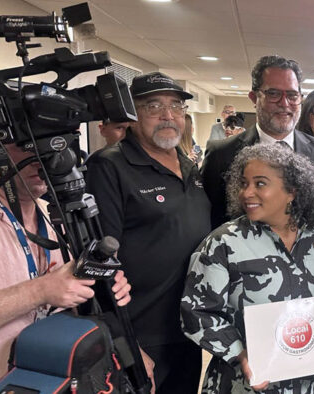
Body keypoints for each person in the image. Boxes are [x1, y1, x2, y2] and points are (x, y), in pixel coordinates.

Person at [181, 144, 314, 394]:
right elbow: (196, 312)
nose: (247, 193)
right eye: (243, 184)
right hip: (244, 384)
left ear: (292, 191)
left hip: (311, 383)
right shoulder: (223, 243)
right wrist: (240, 354)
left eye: (260, 184)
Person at [85, 71, 211, 393]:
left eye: (176, 106)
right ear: (133, 115)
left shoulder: (189, 167)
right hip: (141, 334)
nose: (168, 115)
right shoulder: (109, 166)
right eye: (153, 106)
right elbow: (99, 264)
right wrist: (127, 344)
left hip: (186, 326)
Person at [0, 142, 133, 376]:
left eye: (50, 147)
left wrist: (102, 285)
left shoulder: (56, 216)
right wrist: (39, 291)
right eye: (25, 147)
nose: (41, 159)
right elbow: (45, 290)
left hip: (58, 375)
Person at [201, 55, 314, 229]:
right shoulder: (221, 154)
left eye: (292, 95)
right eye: (273, 94)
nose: (284, 103)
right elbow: (212, 218)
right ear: (254, 98)